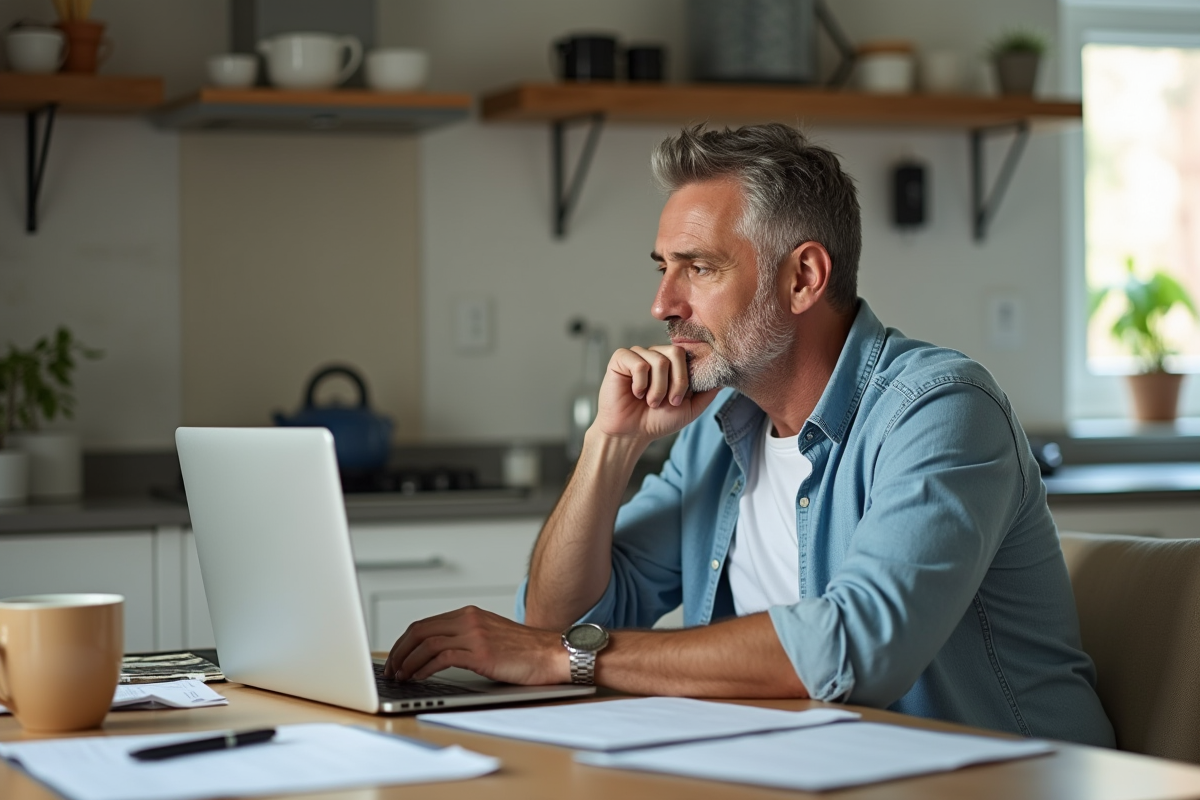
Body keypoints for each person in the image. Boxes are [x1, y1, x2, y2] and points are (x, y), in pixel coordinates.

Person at [383, 123, 1115, 747]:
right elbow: (557, 620)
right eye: (665, 268)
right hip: (802, 772)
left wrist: (568, 659)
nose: (663, 303)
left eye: (698, 268)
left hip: (1007, 781)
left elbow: (852, 650)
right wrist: (611, 445)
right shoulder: (722, 428)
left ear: (803, 279)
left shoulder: (940, 410)